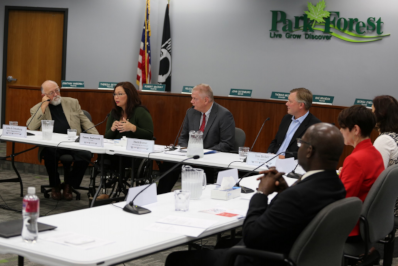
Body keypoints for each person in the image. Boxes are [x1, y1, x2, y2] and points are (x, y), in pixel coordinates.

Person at [165, 123, 346, 266]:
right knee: (223, 243)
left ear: (309, 151)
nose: (298, 148)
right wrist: (284, 190)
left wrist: (261, 193)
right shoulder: (335, 185)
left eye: (301, 143)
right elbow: (296, 214)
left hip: (265, 259)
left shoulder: (299, 194)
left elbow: (251, 235)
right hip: (293, 251)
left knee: (176, 259)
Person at [157, 84, 235, 194]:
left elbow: (227, 144)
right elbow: (183, 137)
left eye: (195, 99)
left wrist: (202, 152)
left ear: (206, 100)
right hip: (190, 157)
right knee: (169, 164)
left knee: (203, 169)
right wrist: (187, 149)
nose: (191, 102)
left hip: (210, 159)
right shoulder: (191, 112)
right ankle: (159, 197)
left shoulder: (224, 115)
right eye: (192, 98)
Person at [27, 80, 98, 201]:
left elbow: (85, 122)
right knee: (49, 154)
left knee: (86, 154)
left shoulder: (72, 102)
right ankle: (55, 185)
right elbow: (31, 127)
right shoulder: (37, 109)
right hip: (52, 144)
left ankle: (69, 185)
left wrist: (96, 137)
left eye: (57, 90)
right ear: (44, 95)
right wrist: (43, 106)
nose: (56, 94)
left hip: (73, 142)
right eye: (51, 92)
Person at [337, 105, 384, 239]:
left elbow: (342, 200)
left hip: (352, 225)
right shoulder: (374, 152)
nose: (340, 131)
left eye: (343, 127)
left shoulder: (354, 160)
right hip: (370, 220)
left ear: (356, 129)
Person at [267, 88, 320, 159]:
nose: (286, 103)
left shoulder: (314, 125)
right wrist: (269, 154)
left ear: (301, 105)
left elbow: (308, 152)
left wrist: (284, 157)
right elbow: (275, 141)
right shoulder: (286, 118)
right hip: (273, 160)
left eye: (290, 101)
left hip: (293, 164)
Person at [372, 95, 398, 217]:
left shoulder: (384, 140)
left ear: (380, 115)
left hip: (389, 208)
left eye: (372, 112)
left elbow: (377, 179)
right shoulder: (394, 136)